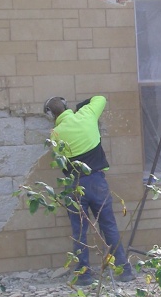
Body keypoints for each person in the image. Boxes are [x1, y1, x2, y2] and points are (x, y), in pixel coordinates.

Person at [43, 95, 135, 285]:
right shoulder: (87, 114)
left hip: (75, 185)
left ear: (51, 115)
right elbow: (100, 98)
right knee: (109, 226)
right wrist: (82, 107)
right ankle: (125, 270)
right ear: (67, 106)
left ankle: (84, 275)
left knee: (79, 231)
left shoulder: (56, 133)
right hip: (98, 181)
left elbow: (60, 158)